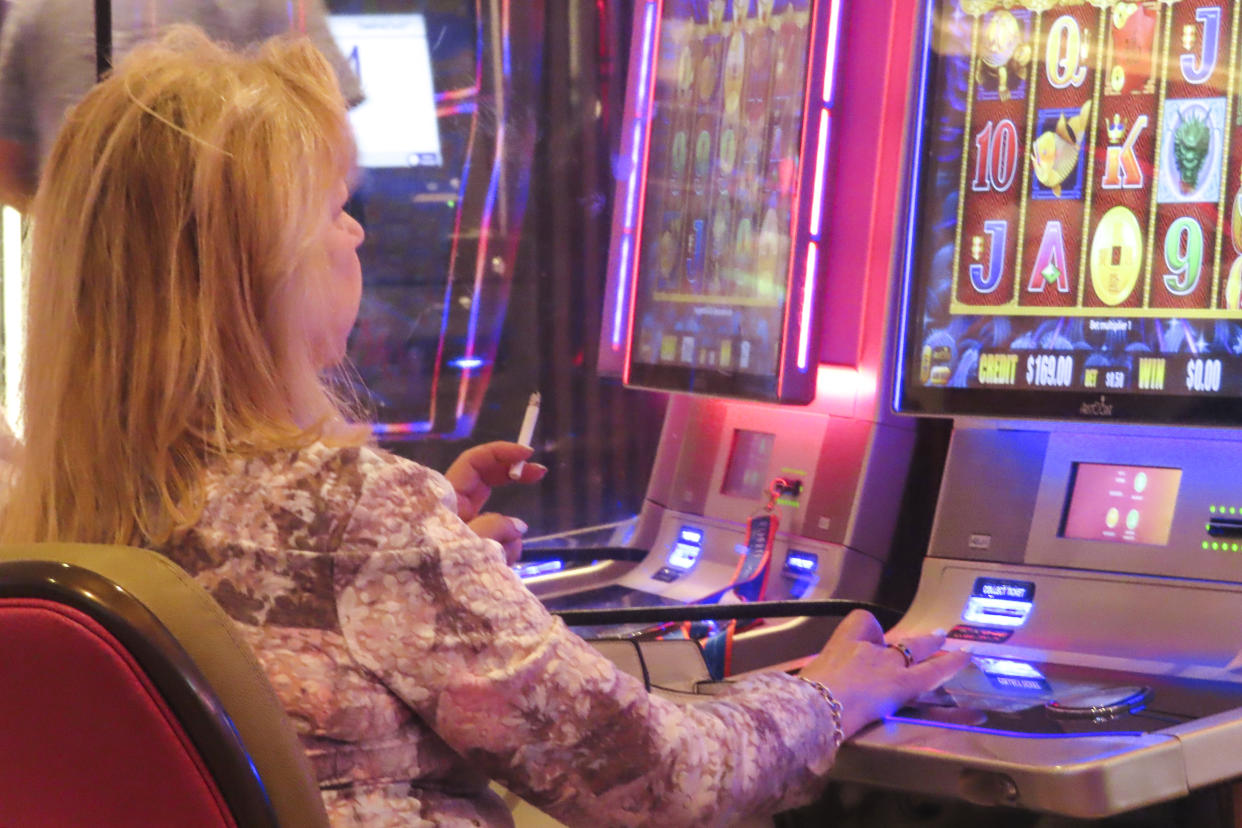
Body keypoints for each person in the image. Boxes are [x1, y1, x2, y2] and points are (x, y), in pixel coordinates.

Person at [1, 27, 969, 827]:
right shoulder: (353, 519)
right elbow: (661, 780)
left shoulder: (58, 507)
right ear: (254, 269)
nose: (359, 236)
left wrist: (438, 559)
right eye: (334, 210)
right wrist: (834, 693)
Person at [0, 0, 361, 210]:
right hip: (237, 277)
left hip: (87, 287)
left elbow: (11, 166)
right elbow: (333, 154)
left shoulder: (37, 6)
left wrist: (85, 220)